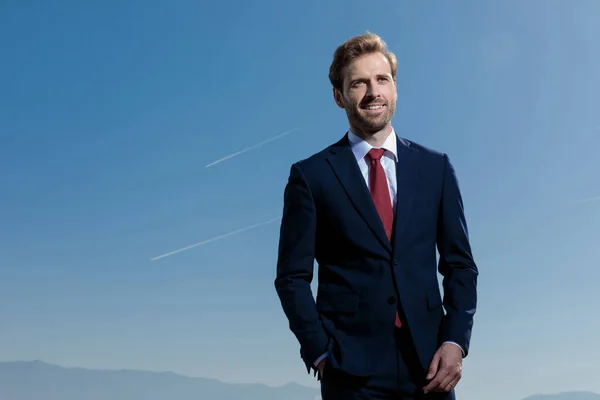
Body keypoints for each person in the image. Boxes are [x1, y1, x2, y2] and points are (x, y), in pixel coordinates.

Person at [274, 32, 478, 400]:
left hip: (430, 365)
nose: (373, 92)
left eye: (382, 79)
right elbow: (292, 277)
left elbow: (460, 265)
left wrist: (455, 341)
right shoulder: (311, 176)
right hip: (350, 371)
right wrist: (320, 351)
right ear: (339, 96)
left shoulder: (436, 168)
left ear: (395, 87)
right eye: (359, 83)